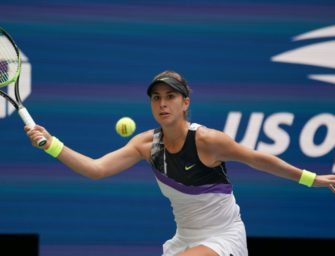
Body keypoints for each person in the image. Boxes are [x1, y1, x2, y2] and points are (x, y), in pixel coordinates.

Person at [25, 70, 335, 256]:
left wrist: (314, 179)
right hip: (184, 240)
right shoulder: (146, 144)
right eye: (156, 97)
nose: (162, 103)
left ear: (185, 102)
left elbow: (259, 160)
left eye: (170, 96)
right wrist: (52, 145)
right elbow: (96, 169)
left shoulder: (208, 141)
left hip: (223, 237)